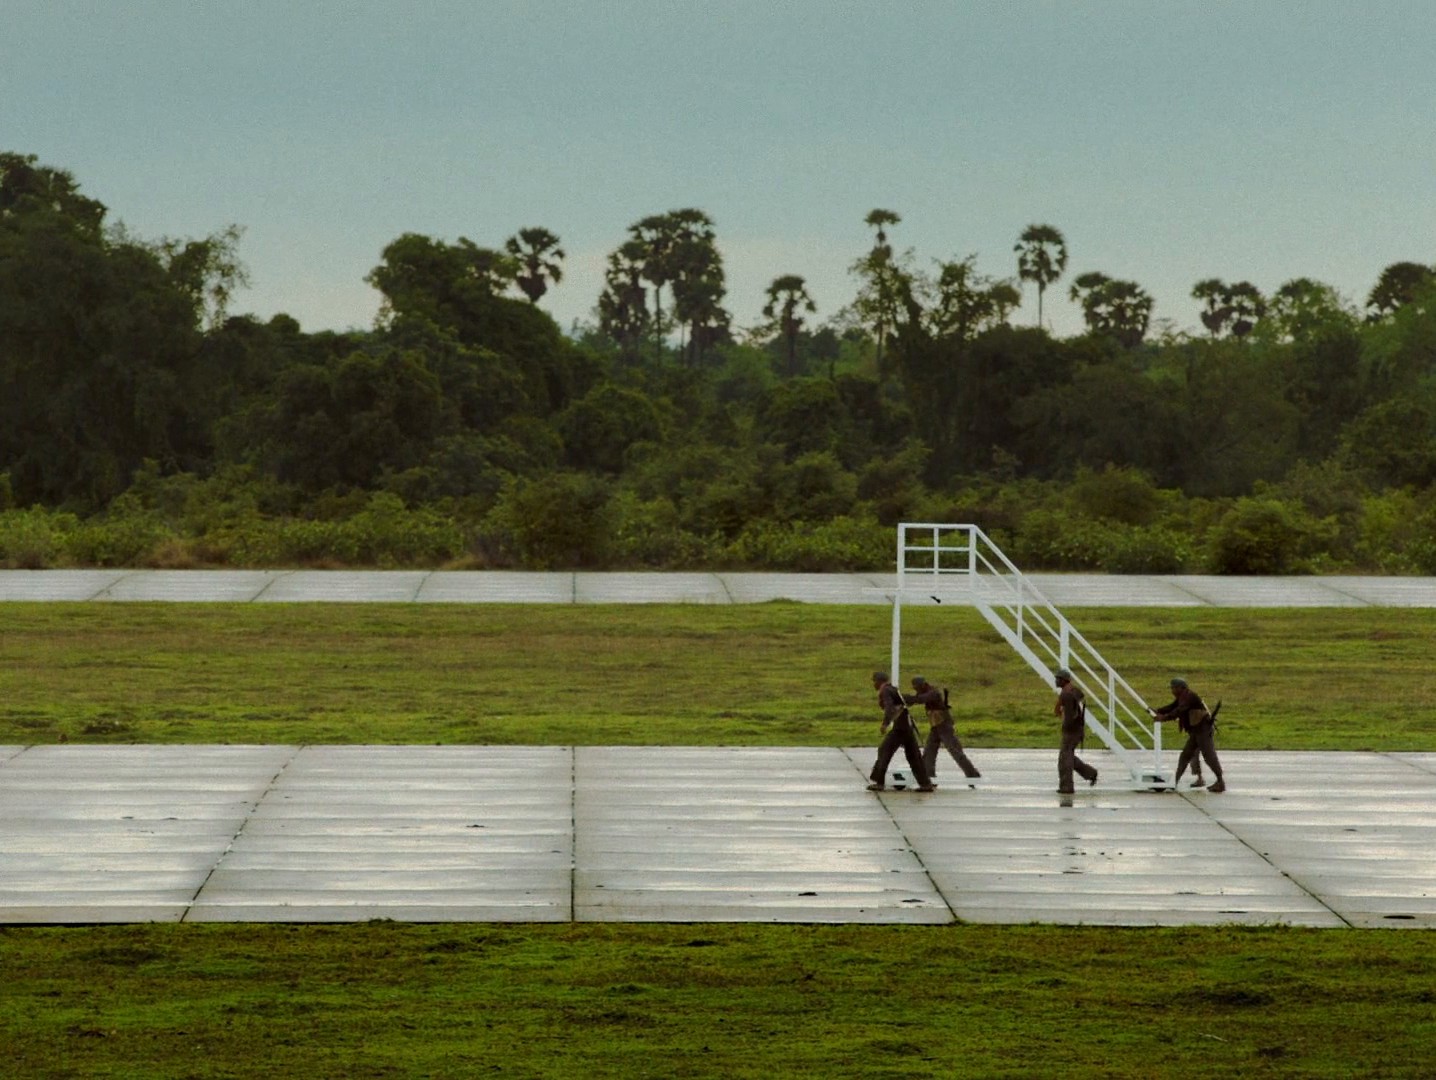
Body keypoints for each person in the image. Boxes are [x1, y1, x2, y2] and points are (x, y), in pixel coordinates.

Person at [1152, 677, 1226, 793]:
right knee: (1185, 755)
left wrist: (1164, 718)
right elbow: (1172, 707)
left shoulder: (1189, 697)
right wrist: (1158, 710)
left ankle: (1220, 782)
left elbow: (1179, 710)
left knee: (1209, 756)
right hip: (1196, 732)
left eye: (1174, 688)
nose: (1172, 690)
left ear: (1181, 688)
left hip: (1203, 730)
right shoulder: (1183, 697)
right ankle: (1174, 782)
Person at [906, 676, 981, 786]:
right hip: (936, 726)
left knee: (954, 750)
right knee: (929, 752)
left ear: (922, 685)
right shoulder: (924, 691)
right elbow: (917, 700)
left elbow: (921, 699)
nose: (916, 689)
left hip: (944, 725)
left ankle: (972, 774)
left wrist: (907, 698)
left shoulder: (933, 692)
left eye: (916, 687)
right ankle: (928, 777)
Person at [867, 671, 934, 792]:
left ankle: (879, 782)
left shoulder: (886, 691)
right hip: (906, 725)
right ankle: (925, 784)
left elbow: (889, 707)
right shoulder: (892, 688)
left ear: (879, 681)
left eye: (874, 681)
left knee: (884, 751)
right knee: (914, 756)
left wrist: (885, 724)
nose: (873, 684)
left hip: (900, 727)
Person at [1054, 669, 1098, 794]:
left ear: (1064, 680)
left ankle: (1066, 787)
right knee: (1068, 758)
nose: (1056, 681)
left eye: (1058, 678)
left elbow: (1069, 716)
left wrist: (1066, 729)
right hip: (1076, 731)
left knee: (1064, 760)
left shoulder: (1066, 694)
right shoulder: (1073, 691)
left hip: (1071, 732)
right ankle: (1091, 773)